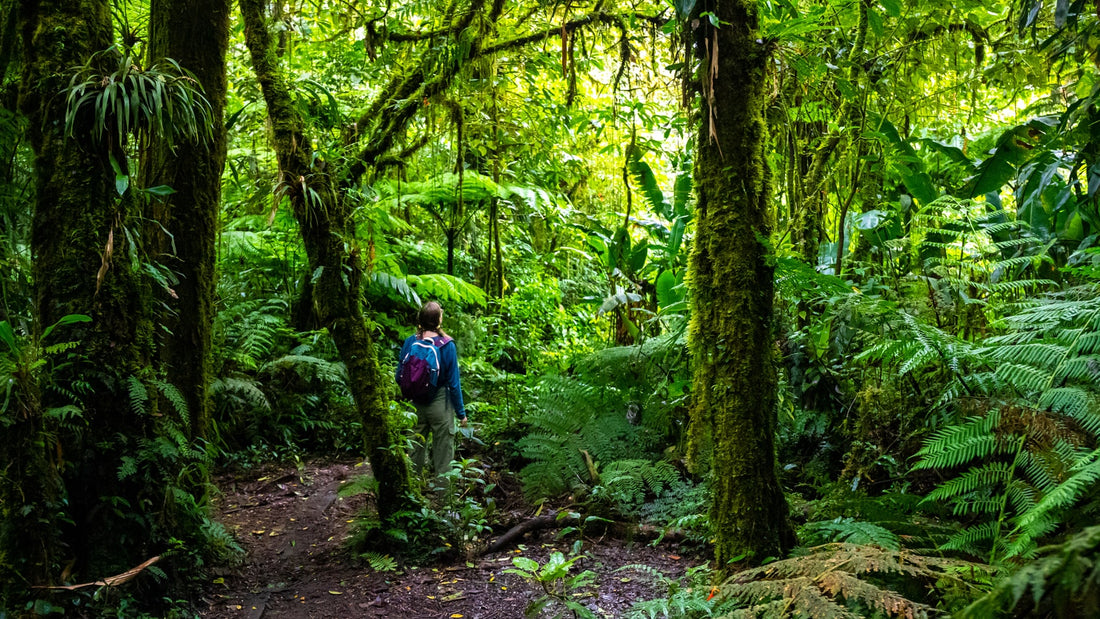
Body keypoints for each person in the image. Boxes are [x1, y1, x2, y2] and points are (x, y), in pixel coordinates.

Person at [399, 301, 467, 479]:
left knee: (414, 451)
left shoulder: (410, 342)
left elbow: (399, 375)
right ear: (439, 320)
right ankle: (444, 502)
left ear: (419, 320)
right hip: (440, 403)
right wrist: (461, 413)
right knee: (443, 455)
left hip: (414, 406)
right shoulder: (446, 345)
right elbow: (454, 383)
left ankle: (412, 495)